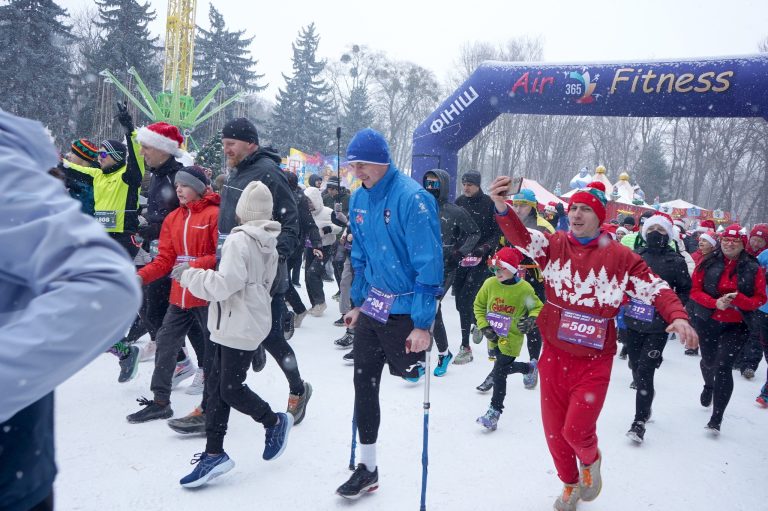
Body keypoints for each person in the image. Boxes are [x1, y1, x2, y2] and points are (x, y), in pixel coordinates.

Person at [488, 176, 698, 511]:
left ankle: (590, 459)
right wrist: (502, 206)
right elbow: (522, 237)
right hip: (555, 354)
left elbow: (655, 287)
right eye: (574, 209)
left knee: (576, 430)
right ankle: (569, 484)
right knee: (555, 433)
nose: (577, 214)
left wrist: (678, 315)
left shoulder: (621, 257)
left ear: (600, 216)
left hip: (594, 359)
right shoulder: (553, 245)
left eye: (586, 209)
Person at [0, 109, 141, 511]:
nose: (96, 162)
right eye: (91, 158)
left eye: (100, 157)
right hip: (71, 243)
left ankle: (128, 348)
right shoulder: (88, 175)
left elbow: (129, 166)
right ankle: (125, 348)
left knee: (116, 312)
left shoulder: (121, 177)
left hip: (110, 241)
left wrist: (128, 134)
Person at [335, 128, 443, 499]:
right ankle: (367, 467)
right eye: (354, 165)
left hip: (406, 310)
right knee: (363, 386)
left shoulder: (413, 199)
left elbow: (429, 263)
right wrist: (358, 302)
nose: (357, 171)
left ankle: (431, 354)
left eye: (363, 164)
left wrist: (423, 324)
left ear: (383, 161)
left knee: (408, 373)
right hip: (375, 309)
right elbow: (360, 255)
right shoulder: (357, 200)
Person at [177, 181, 293, 487]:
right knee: (216, 387)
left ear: (242, 211)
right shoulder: (268, 239)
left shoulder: (239, 240)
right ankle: (214, 452)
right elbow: (260, 283)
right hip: (239, 320)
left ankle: (274, 421)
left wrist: (190, 276)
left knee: (229, 388)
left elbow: (224, 284)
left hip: (236, 321)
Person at [209, 117, 310, 430]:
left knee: (272, 337)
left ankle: (298, 389)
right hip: (231, 265)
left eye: (231, 144)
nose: (225, 149)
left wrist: (270, 254)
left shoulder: (268, 174)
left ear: (249, 143)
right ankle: (208, 404)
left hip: (263, 278)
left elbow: (291, 223)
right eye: (224, 143)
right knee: (220, 335)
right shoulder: (237, 170)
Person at [127, 166, 219, 423]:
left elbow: (221, 256)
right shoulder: (173, 218)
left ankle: (210, 406)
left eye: (185, 185)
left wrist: (193, 265)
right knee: (166, 344)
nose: (178, 189)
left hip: (207, 293)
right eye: (177, 185)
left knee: (213, 350)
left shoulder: (215, 214)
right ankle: (160, 402)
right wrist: (141, 276)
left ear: (199, 188)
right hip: (180, 296)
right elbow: (165, 259)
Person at [688, 224, 766, 433]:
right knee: (708, 361)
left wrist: (739, 299)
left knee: (723, 366)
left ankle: (717, 418)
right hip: (708, 320)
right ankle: (708, 385)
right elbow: (694, 291)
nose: (729, 245)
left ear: (743, 244)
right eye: (726, 241)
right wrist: (715, 303)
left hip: (737, 324)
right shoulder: (707, 262)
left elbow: (760, 298)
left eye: (735, 242)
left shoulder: (752, 266)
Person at [623, 213, 691, 443]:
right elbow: (623, 283)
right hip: (633, 321)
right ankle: (645, 403)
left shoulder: (677, 261)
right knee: (634, 364)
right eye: (651, 230)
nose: (655, 234)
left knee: (645, 371)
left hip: (658, 325)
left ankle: (639, 421)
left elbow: (684, 291)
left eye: (661, 231)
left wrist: (672, 310)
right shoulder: (636, 256)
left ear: (669, 235)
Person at [473, 247, 542, 431]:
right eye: (494, 269)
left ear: (512, 268)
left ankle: (494, 412)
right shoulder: (490, 284)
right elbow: (478, 306)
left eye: (501, 269)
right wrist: (484, 326)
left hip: (511, 338)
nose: (497, 273)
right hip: (493, 336)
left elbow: (537, 307)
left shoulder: (524, 289)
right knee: (501, 368)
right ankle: (527, 367)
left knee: (500, 372)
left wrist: (531, 320)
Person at [423, 169, 480, 376]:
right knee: (423, 309)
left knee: (433, 308)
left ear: (443, 185)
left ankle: (443, 352)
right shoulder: (420, 206)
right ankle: (424, 355)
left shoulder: (453, 210)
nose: (431, 187)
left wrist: (459, 252)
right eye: (427, 183)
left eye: (435, 183)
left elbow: (474, 233)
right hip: (421, 266)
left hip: (445, 267)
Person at [452, 170, 500, 364]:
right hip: (462, 258)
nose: (466, 187)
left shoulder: (489, 204)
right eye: (464, 184)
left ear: (478, 185)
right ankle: (476, 321)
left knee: (466, 299)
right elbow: (453, 230)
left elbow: (497, 233)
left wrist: (484, 248)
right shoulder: (459, 203)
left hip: (481, 260)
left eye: (470, 184)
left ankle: (465, 347)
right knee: (458, 303)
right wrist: (456, 249)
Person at [303, 186, 342, 316]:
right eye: (306, 201)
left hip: (325, 247)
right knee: (307, 275)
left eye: (310, 201)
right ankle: (314, 304)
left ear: (316, 200)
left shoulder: (328, 212)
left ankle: (320, 303)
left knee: (313, 273)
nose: (308, 204)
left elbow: (339, 227)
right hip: (310, 247)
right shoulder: (305, 213)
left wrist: (329, 229)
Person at [60, 138, 98, 215]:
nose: (69, 155)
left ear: (83, 158)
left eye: (73, 153)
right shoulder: (67, 172)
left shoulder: (96, 179)